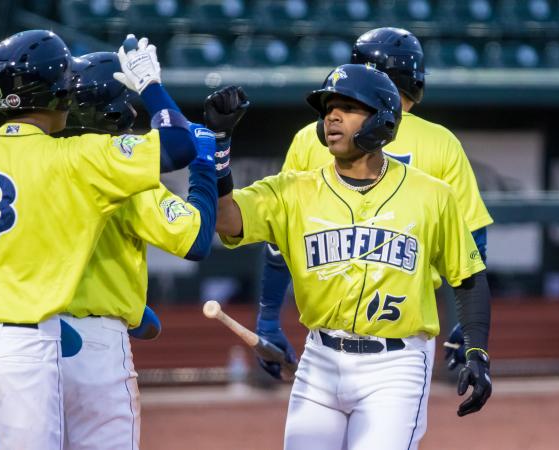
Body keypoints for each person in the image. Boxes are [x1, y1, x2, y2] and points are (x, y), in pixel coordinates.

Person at [213, 64, 492, 449]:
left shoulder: (431, 195)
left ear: (382, 120)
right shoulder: (293, 189)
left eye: (348, 107)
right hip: (319, 361)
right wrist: (219, 146)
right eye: (328, 108)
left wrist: (477, 349)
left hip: (396, 365)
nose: (332, 116)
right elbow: (227, 221)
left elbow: (468, 277)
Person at [0, 30, 198, 450]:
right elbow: (179, 145)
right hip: (24, 347)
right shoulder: (76, 158)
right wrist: (152, 87)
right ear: (58, 93)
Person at [254, 27, 492, 378]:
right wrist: (469, 331)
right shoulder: (441, 142)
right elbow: (474, 246)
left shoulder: (313, 137)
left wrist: (269, 318)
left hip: (326, 328)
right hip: (405, 333)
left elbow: (277, 244)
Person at [60, 50, 217, 450]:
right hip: (95, 349)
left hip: (27, 340)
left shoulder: (35, 164)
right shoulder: (118, 170)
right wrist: (203, 168)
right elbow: (196, 241)